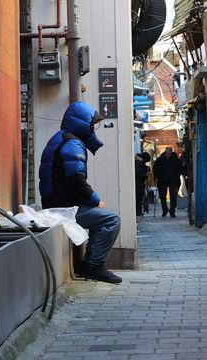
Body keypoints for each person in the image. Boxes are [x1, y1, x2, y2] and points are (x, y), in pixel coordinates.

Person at [39, 101, 122, 284]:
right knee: (111, 220)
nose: (93, 129)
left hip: (55, 203)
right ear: (82, 123)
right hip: (64, 208)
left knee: (100, 218)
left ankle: (89, 263)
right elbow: (76, 180)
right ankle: (93, 266)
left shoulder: (60, 138)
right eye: (92, 125)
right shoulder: (73, 143)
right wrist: (95, 200)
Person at [153, 147, 182, 217]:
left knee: (173, 197)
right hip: (162, 180)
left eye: (169, 153)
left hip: (173, 180)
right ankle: (165, 210)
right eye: (167, 153)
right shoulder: (160, 160)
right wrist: (156, 177)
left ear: (171, 153)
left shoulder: (176, 159)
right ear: (165, 153)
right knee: (162, 196)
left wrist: (177, 175)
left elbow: (180, 168)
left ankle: (172, 211)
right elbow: (155, 168)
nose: (168, 155)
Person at [135, 152, 151, 217]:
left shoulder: (138, 162)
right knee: (138, 199)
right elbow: (138, 173)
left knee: (139, 199)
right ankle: (138, 212)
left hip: (139, 184)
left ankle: (139, 211)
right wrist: (145, 175)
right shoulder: (139, 163)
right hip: (138, 184)